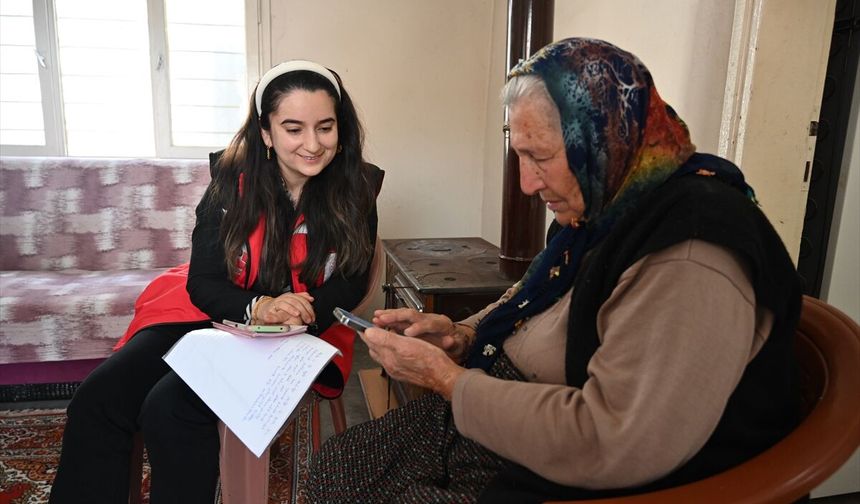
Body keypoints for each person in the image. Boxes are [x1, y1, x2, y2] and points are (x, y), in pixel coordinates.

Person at [306, 38, 801, 503]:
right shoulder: (606, 205)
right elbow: (530, 298)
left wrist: (448, 380)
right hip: (504, 417)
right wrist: (459, 335)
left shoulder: (689, 252)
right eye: (518, 154)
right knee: (334, 465)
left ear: (606, 136)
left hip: (558, 467)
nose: (525, 183)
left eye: (540, 157)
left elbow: (611, 440)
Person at [49, 59, 381, 503]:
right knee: (99, 398)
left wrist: (298, 310)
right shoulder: (230, 182)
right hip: (214, 312)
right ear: (266, 133)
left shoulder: (355, 189)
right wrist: (258, 306)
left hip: (302, 330)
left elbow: (351, 281)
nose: (312, 144)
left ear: (341, 130)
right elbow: (203, 280)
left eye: (325, 127)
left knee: (168, 408)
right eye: (293, 128)